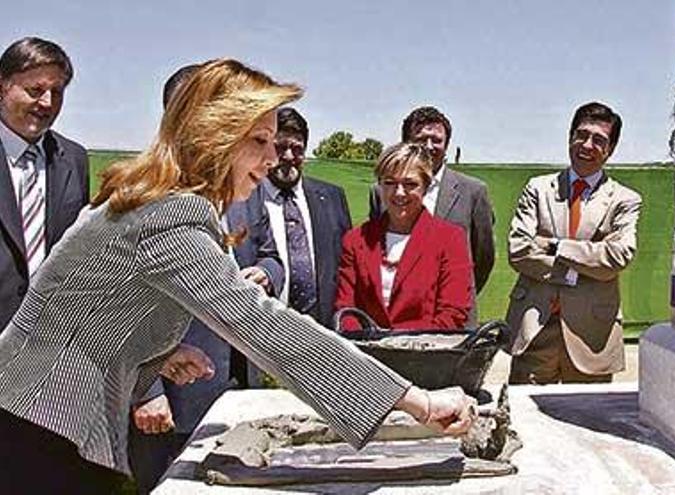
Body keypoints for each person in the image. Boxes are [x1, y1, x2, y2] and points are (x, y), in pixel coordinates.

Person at [0, 59, 476, 494]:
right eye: (258, 141)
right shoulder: (171, 213)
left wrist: (158, 350)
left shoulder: (147, 196)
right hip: (42, 431)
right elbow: (265, 327)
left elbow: (84, 309)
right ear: (214, 134)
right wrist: (418, 403)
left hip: (31, 414)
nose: (272, 159)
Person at [127, 62, 287, 494]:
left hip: (240, 377)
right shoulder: (142, 199)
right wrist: (146, 390)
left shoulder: (244, 190)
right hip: (177, 395)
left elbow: (273, 255)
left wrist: (266, 276)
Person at [505, 102, 642, 384]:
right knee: (523, 420)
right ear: (570, 137)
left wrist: (555, 246)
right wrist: (576, 270)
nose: (587, 145)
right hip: (534, 329)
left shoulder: (625, 200)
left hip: (591, 336)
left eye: (599, 140)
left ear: (610, 150)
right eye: (581, 135)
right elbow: (519, 250)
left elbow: (617, 258)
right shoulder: (538, 189)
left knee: (587, 424)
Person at [0, 37, 89, 332]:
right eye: (35, 91)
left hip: (48, 343)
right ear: (3, 86)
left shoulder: (74, 158)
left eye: (57, 92)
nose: (48, 103)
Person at [336, 142, 474, 332]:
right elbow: (346, 308)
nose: (399, 193)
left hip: (425, 355)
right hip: (364, 354)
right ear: (380, 185)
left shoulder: (450, 239)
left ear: (426, 187)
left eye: (410, 184)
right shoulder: (356, 239)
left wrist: (409, 350)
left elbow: (453, 312)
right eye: (390, 183)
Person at [368, 106, 495, 301]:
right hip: (395, 310)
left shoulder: (473, 192)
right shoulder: (381, 192)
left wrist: (460, 293)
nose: (429, 146)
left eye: (436, 140)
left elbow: (484, 257)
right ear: (406, 144)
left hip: (455, 312)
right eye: (420, 140)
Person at [262, 106, 352, 327]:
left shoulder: (332, 198)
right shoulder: (244, 200)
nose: (288, 157)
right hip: (262, 335)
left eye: (297, 149)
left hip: (323, 332)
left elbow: (347, 268)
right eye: (280, 148)